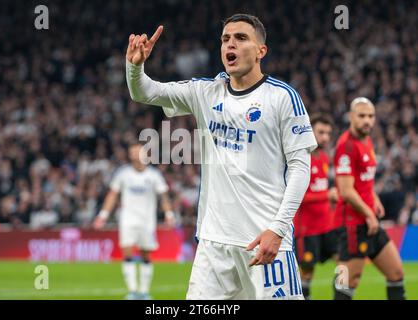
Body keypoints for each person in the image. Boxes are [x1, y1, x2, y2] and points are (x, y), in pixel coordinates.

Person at [126, 13, 317, 299]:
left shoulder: (281, 97)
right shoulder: (205, 91)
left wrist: (278, 230)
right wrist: (135, 68)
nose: (231, 45)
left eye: (241, 38)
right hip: (214, 245)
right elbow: (146, 93)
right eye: (226, 39)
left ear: (261, 51)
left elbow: (301, 168)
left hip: (264, 240)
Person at [333, 97, 406, 300]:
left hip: (368, 220)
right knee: (349, 280)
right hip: (352, 224)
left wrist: (375, 199)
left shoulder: (367, 140)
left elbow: (363, 180)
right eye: (362, 116)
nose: (367, 121)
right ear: (351, 117)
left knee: (396, 272)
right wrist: (369, 214)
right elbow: (346, 190)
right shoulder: (346, 146)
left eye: (371, 116)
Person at [93, 142, 175, 300]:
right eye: (132, 152)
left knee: (146, 254)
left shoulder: (153, 175)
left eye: (138, 151)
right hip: (128, 219)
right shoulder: (123, 174)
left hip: (147, 221)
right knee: (128, 252)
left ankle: (144, 292)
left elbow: (163, 196)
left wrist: (169, 214)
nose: (135, 155)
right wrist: (103, 215)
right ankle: (132, 292)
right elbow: (112, 195)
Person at [293, 113, 339, 299]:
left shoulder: (324, 158)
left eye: (328, 133)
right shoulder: (301, 159)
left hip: (328, 226)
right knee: (307, 274)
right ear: (310, 131)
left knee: (344, 263)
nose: (325, 137)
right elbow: (298, 197)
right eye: (321, 132)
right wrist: (326, 195)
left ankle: (341, 296)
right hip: (307, 230)